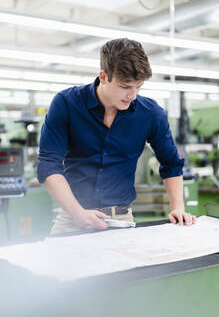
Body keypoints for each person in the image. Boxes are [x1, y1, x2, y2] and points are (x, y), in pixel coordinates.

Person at [37, 38, 196, 234]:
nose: (133, 95)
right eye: (125, 86)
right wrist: (78, 213)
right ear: (103, 77)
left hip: (121, 220)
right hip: (72, 217)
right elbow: (48, 164)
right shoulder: (66, 104)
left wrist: (178, 207)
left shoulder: (150, 113)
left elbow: (171, 163)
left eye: (139, 86)